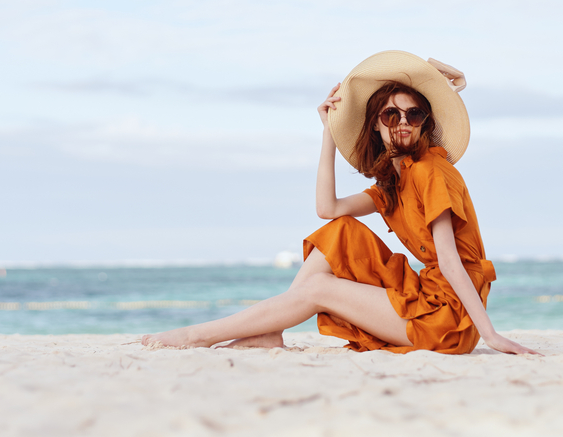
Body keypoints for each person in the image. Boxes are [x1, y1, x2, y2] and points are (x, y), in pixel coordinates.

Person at [142, 51, 539, 355]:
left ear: (424, 124)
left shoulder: (430, 172)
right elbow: (327, 209)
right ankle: (266, 331)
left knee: (318, 289)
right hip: (427, 297)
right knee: (340, 231)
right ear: (376, 126)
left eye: (413, 113)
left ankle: (196, 334)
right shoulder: (392, 185)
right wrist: (329, 135)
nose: (402, 122)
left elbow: (452, 260)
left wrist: (489, 334)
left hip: (447, 319)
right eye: (390, 114)